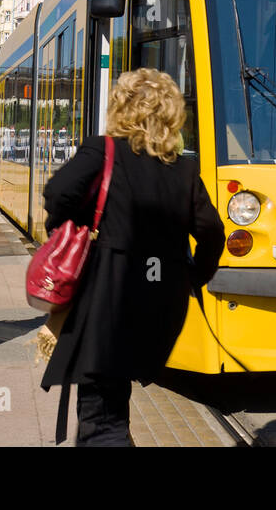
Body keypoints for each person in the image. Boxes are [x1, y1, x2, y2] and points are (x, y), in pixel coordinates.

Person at [40, 69, 224, 447]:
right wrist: (194, 277)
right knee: (112, 400)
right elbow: (211, 231)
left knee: (100, 418)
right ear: (172, 114)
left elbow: (58, 193)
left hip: (109, 298)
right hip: (161, 307)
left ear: (121, 108)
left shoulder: (102, 151)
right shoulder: (184, 169)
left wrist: (67, 234)